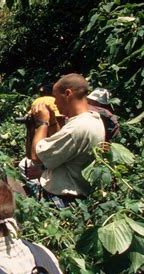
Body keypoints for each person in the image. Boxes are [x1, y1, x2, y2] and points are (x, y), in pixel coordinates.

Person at [30, 73, 105, 207]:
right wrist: (53, 121)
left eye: (56, 97)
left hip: (63, 199)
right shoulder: (93, 119)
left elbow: (37, 156)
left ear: (68, 93)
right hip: (77, 196)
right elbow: (60, 147)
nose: (55, 102)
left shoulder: (78, 127)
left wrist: (42, 124)